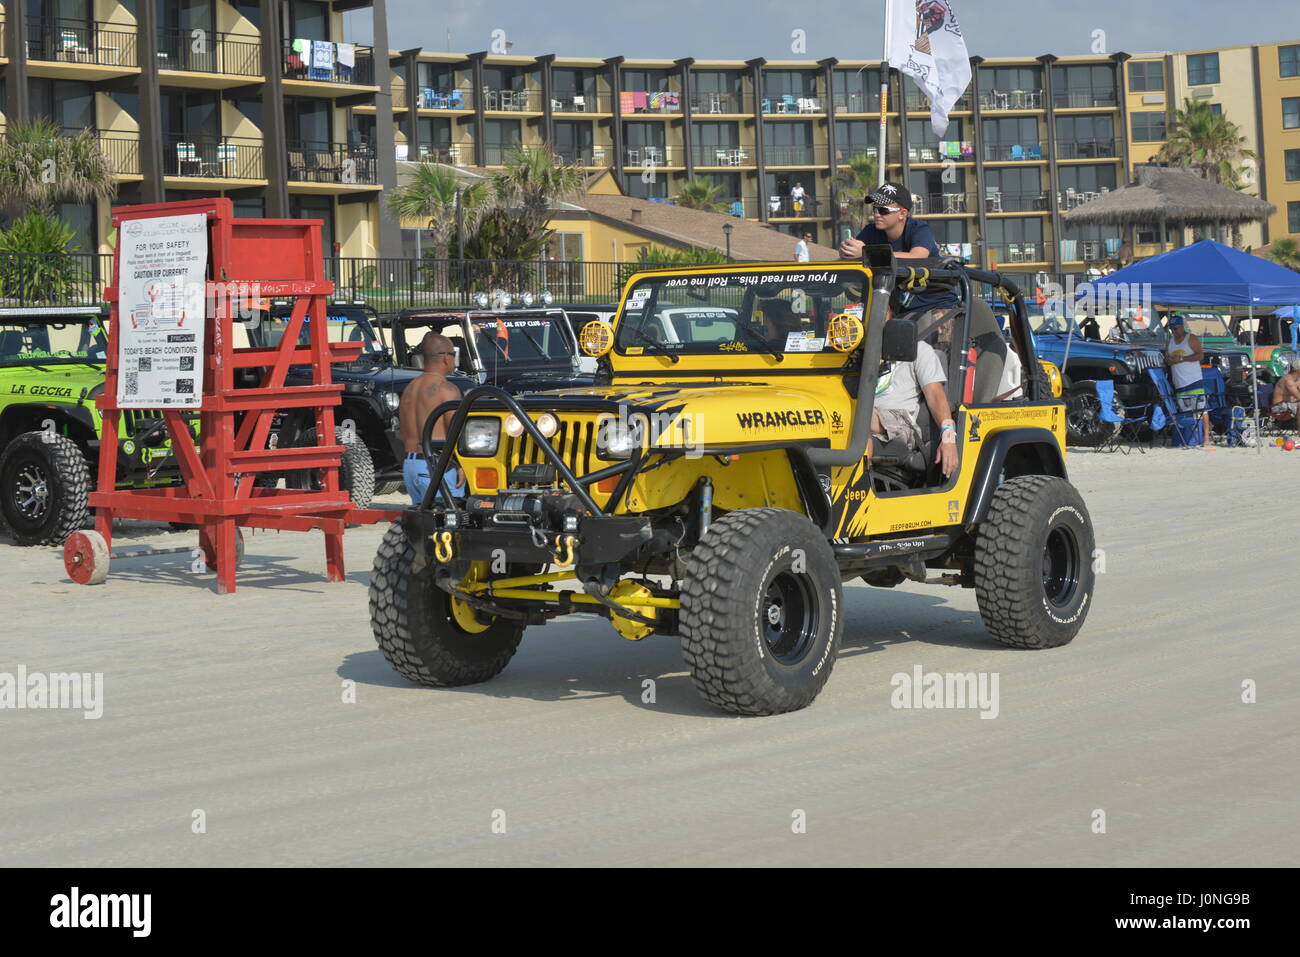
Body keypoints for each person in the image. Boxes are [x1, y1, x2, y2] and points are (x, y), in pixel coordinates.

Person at [838, 182, 961, 345]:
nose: (876, 215)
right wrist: (846, 251)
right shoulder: (871, 231)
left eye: (883, 210)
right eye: (875, 209)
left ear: (902, 214)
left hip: (936, 306)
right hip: (901, 308)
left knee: (929, 352)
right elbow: (854, 256)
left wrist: (867, 253)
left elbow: (918, 256)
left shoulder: (919, 229)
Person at [870, 328, 959, 479]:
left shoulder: (918, 349)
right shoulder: (860, 351)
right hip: (863, 416)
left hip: (900, 421)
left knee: (858, 417)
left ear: (890, 313)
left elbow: (937, 397)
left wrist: (949, 439)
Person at [398, 332, 466, 505]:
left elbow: (403, 430)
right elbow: (456, 431)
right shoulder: (447, 390)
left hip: (410, 464)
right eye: (453, 354)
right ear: (445, 357)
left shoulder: (409, 389)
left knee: (423, 526)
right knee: (449, 523)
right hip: (436, 466)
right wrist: (462, 464)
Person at [1165, 314, 1211, 448]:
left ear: (1182, 327)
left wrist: (1182, 359)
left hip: (1194, 380)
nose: (1174, 331)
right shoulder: (1171, 341)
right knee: (1186, 412)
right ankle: (1191, 438)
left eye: (1176, 328)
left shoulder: (1191, 338)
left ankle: (1206, 438)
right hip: (1179, 382)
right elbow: (1167, 358)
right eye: (1172, 329)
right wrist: (1170, 360)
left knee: (1202, 410)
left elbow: (1200, 355)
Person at [1270, 357, 1300, 423]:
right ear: (1298, 371)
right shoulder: (1288, 381)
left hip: (1288, 404)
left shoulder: (1295, 379)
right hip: (1279, 407)